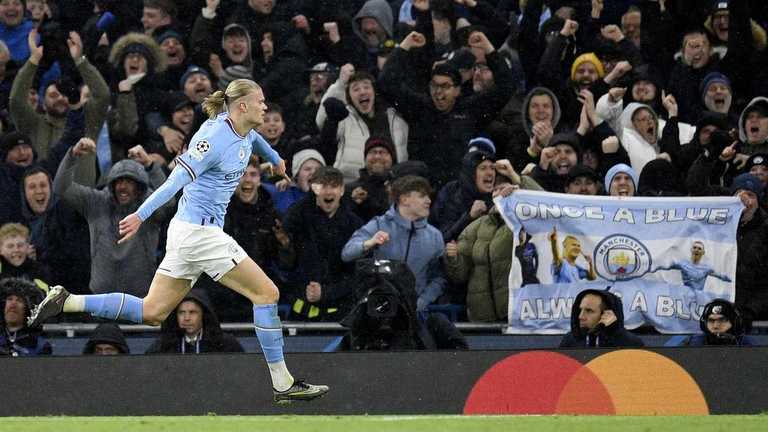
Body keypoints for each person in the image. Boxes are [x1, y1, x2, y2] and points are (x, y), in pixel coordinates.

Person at [29, 79, 328, 403]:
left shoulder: (242, 129)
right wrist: (140, 215)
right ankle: (283, 383)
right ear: (242, 106)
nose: (265, 107)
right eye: (261, 101)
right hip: (201, 234)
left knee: (153, 311)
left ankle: (67, 301)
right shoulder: (212, 139)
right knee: (267, 293)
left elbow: (254, 139)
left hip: (188, 233)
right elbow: (174, 182)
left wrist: (276, 158)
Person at [342, 175, 445, 312]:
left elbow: (439, 278)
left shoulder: (435, 236)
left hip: (415, 313)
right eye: (422, 196)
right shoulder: (378, 225)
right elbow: (347, 253)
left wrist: (421, 302)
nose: (429, 201)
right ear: (404, 199)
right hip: (379, 311)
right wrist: (369, 243)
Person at [145, 290, 244, 354]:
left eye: (192, 312)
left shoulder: (225, 344)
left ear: (203, 315)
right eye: (181, 312)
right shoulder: (163, 345)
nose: (187, 318)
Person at [559, 288, 644, 348]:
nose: (580, 316)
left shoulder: (631, 343)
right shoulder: (569, 341)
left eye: (589, 311)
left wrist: (613, 332)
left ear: (607, 314)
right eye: (580, 310)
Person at [649, 241, 731, 290]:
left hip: (698, 296)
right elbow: (666, 266)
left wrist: (732, 279)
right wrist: (653, 267)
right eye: (695, 247)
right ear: (691, 250)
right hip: (685, 294)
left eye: (699, 248)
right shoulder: (683, 264)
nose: (696, 250)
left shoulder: (706, 268)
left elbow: (721, 276)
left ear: (703, 252)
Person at [0, 277, 51, 356]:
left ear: (27, 310)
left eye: (19, 300)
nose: (13, 303)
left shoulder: (40, 346)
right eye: (10, 299)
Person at [682, 299, 756, 346]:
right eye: (711, 321)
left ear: (735, 322)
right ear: (704, 323)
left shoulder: (745, 344)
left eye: (722, 320)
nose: (715, 326)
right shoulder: (693, 344)